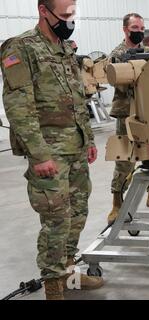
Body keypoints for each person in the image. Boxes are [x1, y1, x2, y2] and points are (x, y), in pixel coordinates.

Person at [0, 0, 104, 300]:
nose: (71, 20)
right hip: (49, 153)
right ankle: (54, 288)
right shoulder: (21, 48)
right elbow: (19, 107)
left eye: (74, 13)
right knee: (56, 220)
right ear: (43, 11)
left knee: (78, 213)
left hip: (75, 148)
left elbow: (77, 96)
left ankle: (70, 274)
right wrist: (40, 154)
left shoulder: (65, 49)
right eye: (65, 14)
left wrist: (88, 140)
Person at [107, 13, 149, 225]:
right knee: (125, 158)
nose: (139, 31)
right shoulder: (117, 54)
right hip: (127, 112)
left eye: (142, 27)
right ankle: (117, 203)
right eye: (135, 27)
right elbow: (118, 83)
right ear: (125, 29)